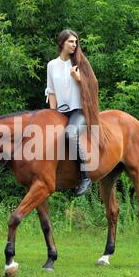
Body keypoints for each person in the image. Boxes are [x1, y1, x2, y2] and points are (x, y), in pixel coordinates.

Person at [45, 29, 103, 196]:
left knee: (70, 134)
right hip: (60, 112)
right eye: (71, 41)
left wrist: (79, 79)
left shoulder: (79, 63)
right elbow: (51, 91)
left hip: (79, 110)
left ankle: (85, 177)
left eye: (76, 42)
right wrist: (52, 114)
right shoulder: (52, 65)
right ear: (62, 43)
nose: (74, 45)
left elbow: (93, 85)